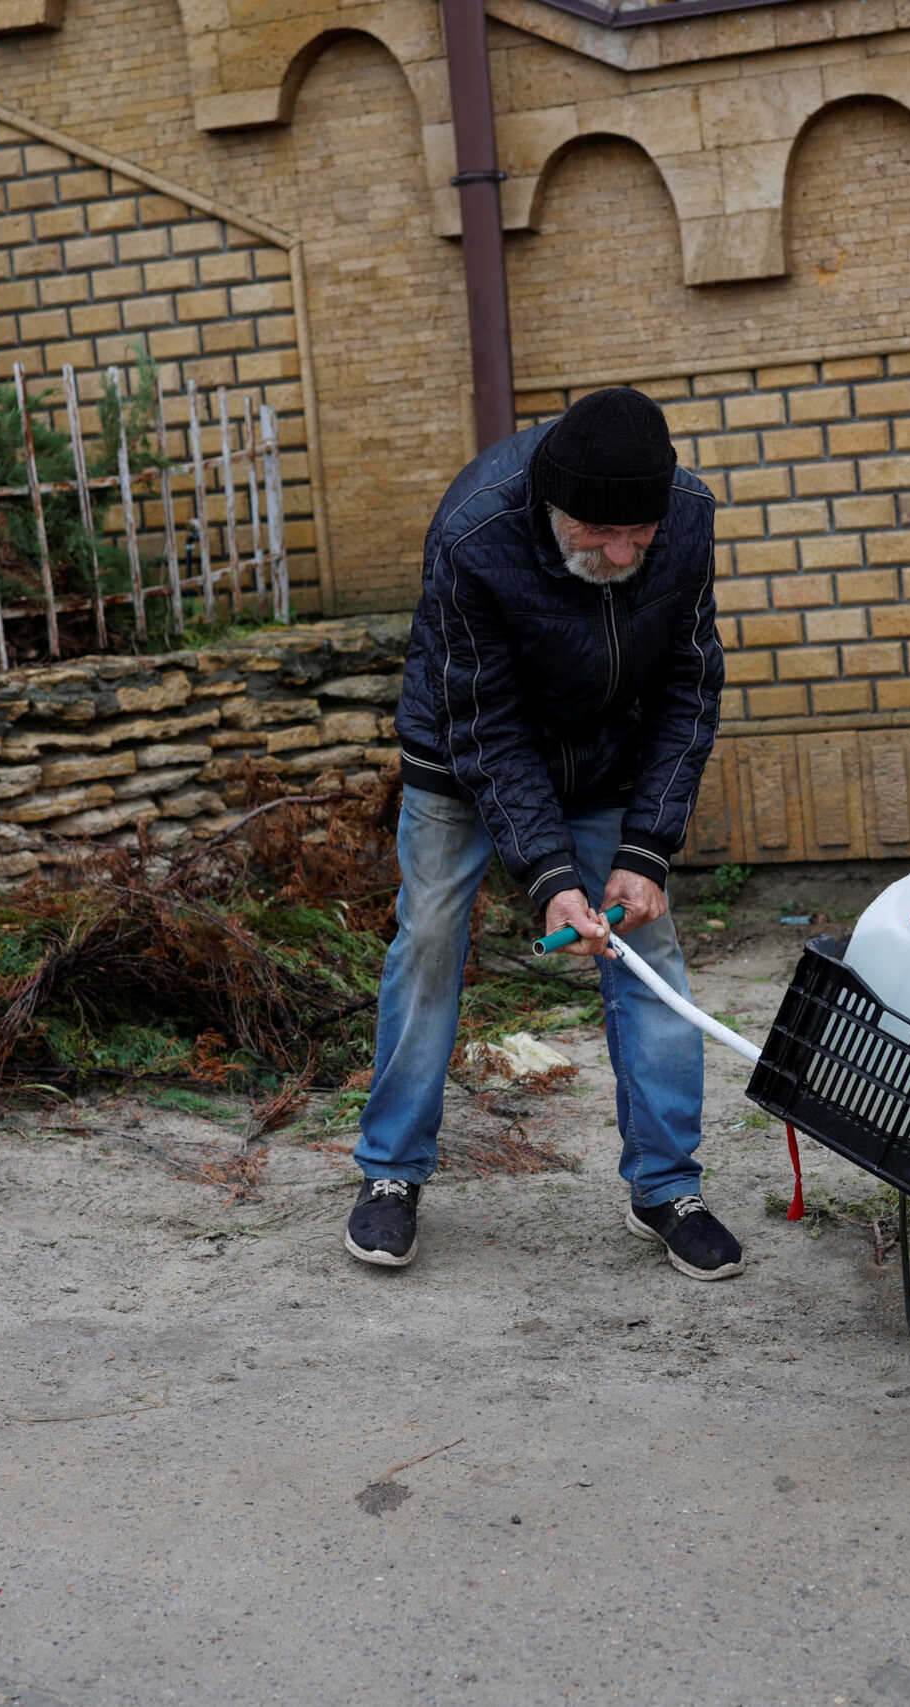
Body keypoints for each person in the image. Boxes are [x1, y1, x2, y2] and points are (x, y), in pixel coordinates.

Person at [345, 386, 739, 1281]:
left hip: (606, 756)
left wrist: (644, 853)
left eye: (640, 533)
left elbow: (690, 683)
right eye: (603, 535)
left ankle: (667, 1186)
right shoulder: (475, 533)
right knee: (432, 940)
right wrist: (551, 875)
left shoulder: (685, 516)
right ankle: (391, 1175)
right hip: (465, 755)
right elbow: (488, 727)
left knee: (650, 951)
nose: (627, 552)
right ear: (557, 509)